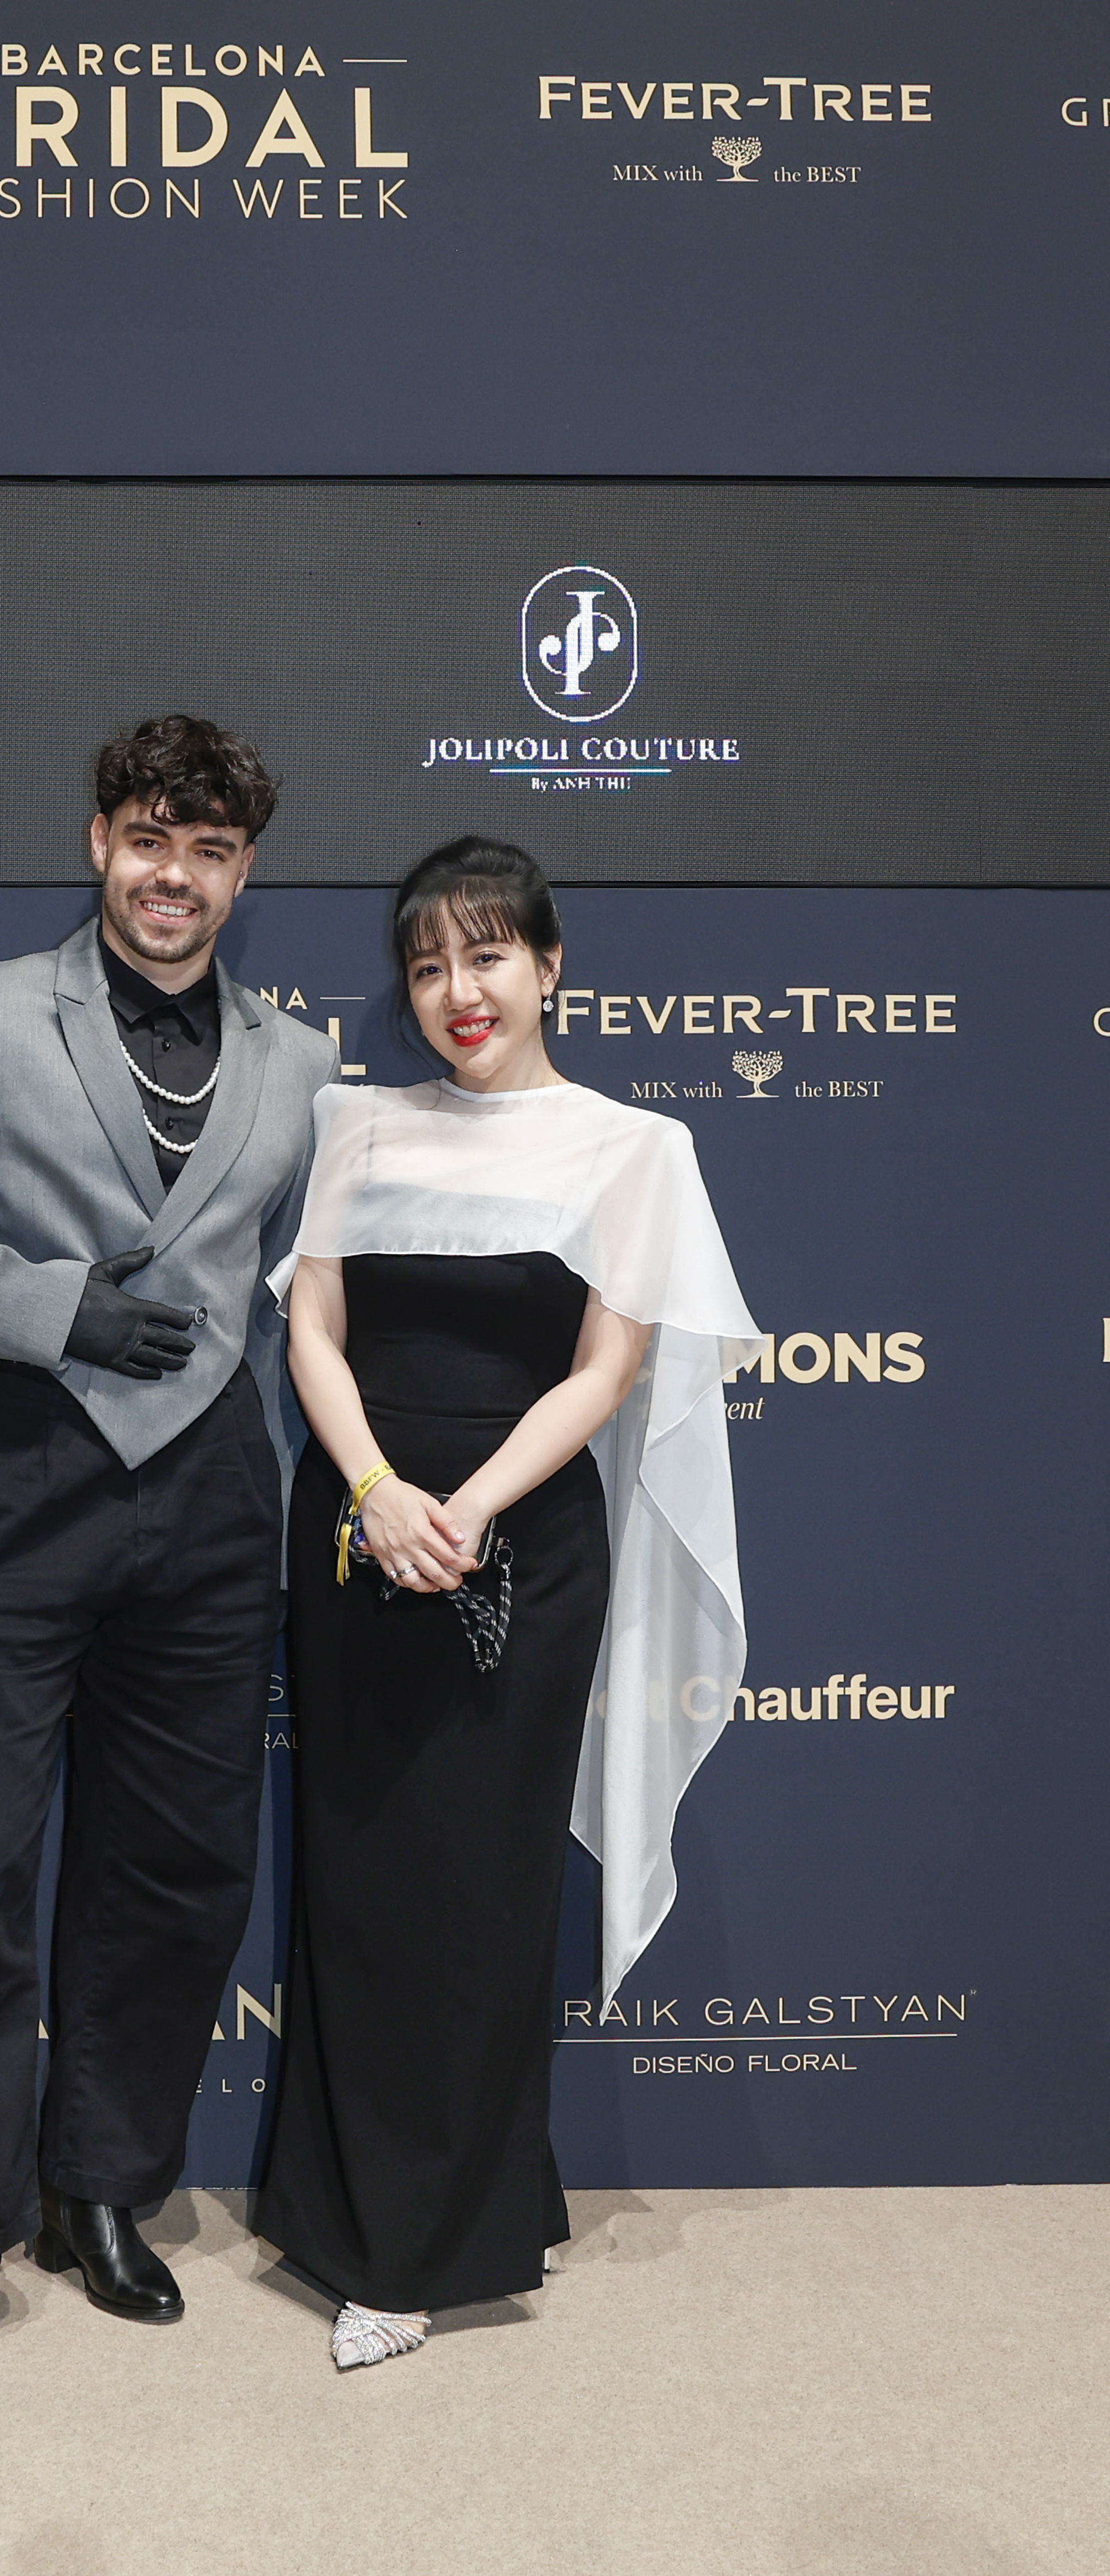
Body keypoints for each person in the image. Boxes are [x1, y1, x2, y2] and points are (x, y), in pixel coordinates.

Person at [0, 716, 337, 2401]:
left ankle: (101, 2191)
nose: (175, 877)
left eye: (210, 852)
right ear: (100, 840)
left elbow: (304, 1279)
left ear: (244, 874)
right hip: (8, 1489)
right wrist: (49, 1307)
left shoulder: (304, 1062)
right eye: (148, 839)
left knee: (174, 1868)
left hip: (212, 1501)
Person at [255, 836, 761, 2370]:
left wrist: (467, 1507)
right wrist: (373, 1491)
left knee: (476, 1893)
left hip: (516, 1547)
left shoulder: (634, 1147)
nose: (456, 992)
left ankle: (426, 2249)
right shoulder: (354, 1122)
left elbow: (606, 1371)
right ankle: (350, 2211)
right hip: (359, 1533)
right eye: (428, 966)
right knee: (356, 1877)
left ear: (549, 965)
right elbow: (313, 1328)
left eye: (486, 957)